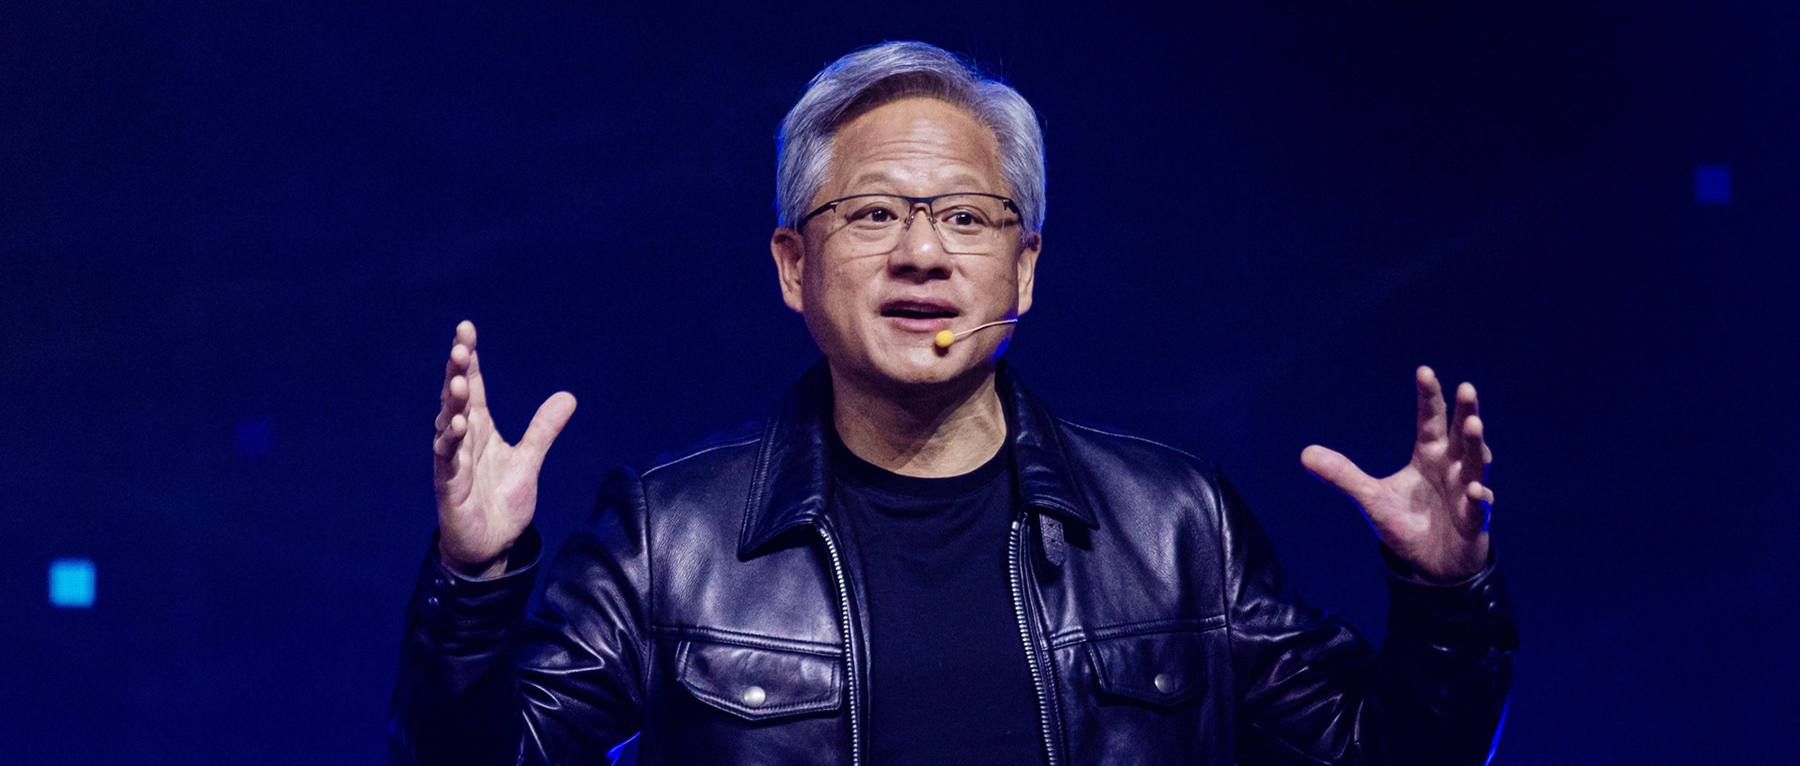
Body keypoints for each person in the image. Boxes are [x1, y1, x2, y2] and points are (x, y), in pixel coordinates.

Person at [390, 41, 1516, 765]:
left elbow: (1389, 753)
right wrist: (474, 582)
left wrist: (1444, 595)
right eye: (874, 214)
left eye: (967, 218)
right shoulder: (668, 535)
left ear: (1024, 270)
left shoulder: (1176, 523)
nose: (923, 253)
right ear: (792, 266)